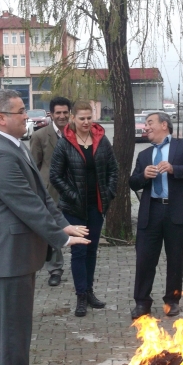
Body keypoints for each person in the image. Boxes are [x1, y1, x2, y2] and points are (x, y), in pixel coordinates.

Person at [0, 89, 90, 365]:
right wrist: (61, 238)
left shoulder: (12, 145)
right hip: (5, 255)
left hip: (15, 254)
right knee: (14, 327)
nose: (27, 115)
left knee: (14, 325)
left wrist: (62, 224)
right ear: (1, 118)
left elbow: (39, 195)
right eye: (20, 111)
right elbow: (25, 205)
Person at [129, 112, 183, 319]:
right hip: (151, 211)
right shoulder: (144, 155)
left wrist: (174, 169)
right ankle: (142, 303)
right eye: (145, 124)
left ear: (164, 125)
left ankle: (172, 300)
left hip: (177, 211)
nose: (146, 127)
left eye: (149, 123)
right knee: (144, 259)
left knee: (176, 259)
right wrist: (143, 176)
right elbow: (133, 182)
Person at [49, 100, 119, 316]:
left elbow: (113, 170)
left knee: (91, 251)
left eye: (89, 118)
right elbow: (55, 175)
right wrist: (72, 195)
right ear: (73, 119)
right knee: (78, 251)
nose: (86, 122)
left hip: (96, 206)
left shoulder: (101, 139)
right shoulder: (65, 143)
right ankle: (80, 296)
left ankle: (89, 292)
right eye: (82, 118)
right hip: (74, 208)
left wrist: (108, 194)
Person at [30, 96, 72, 287]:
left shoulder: (77, 133)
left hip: (74, 189)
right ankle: (55, 268)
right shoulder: (40, 136)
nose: (62, 116)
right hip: (51, 190)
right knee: (54, 227)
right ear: (51, 114)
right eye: (58, 113)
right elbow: (34, 165)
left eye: (65, 112)